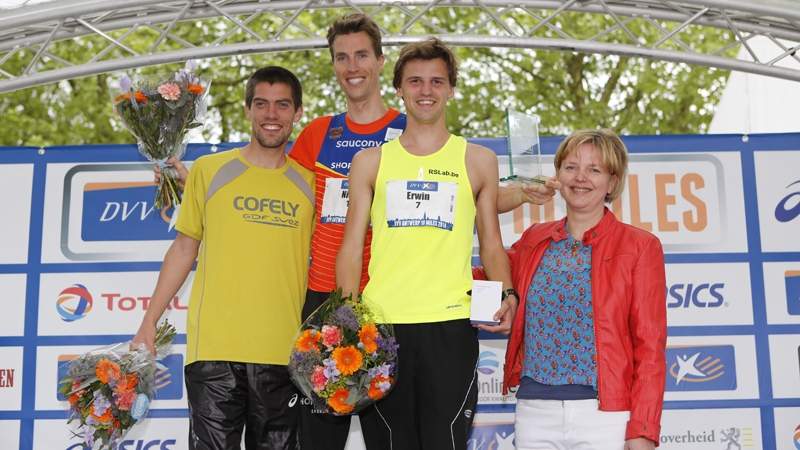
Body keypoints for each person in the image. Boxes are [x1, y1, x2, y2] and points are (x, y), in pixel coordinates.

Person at [157, 13, 558, 450]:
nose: (353, 66)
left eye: (362, 55)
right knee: (326, 438)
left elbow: (472, 208)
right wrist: (195, 181)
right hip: (342, 307)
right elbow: (273, 180)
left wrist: (518, 205)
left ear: (381, 63)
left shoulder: (439, 140)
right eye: (342, 57)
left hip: (425, 315)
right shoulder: (329, 139)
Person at [337, 38, 517, 450]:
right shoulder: (370, 161)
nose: (426, 91)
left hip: (451, 329)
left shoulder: (478, 160)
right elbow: (350, 248)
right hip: (381, 328)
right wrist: (347, 318)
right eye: (415, 81)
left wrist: (508, 293)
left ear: (451, 89)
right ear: (399, 89)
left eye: (437, 81)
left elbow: (492, 244)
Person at [133, 66, 313, 450]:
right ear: (248, 109)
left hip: (284, 356)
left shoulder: (311, 183)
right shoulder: (209, 171)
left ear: (298, 112)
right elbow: (183, 249)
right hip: (214, 354)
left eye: (282, 105)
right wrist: (148, 322)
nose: (271, 114)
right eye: (261, 104)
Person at [482, 129, 666, 450]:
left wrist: (643, 429)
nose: (580, 177)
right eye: (571, 167)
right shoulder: (534, 239)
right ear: (557, 176)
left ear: (612, 182)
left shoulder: (640, 246)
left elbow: (650, 347)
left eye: (594, 169)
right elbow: (486, 277)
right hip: (534, 413)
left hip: (606, 418)